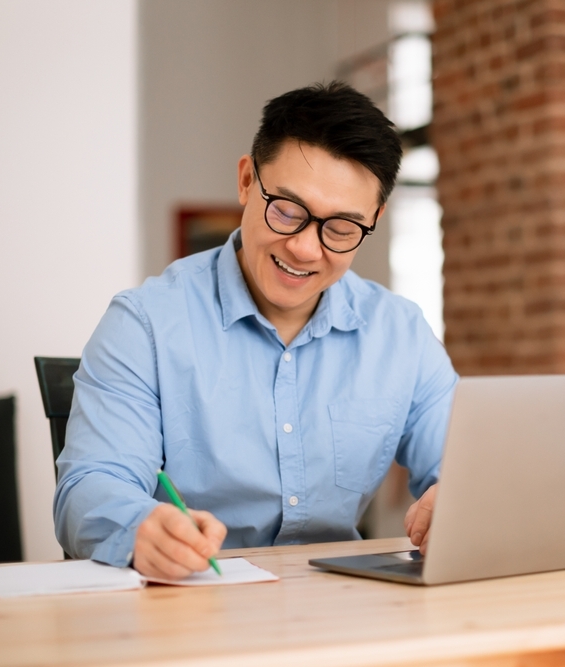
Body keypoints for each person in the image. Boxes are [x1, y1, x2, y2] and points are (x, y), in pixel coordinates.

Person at [53, 82, 457, 579]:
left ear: (374, 219)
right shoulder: (146, 324)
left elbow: (466, 469)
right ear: (247, 181)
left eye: (341, 229)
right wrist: (139, 527)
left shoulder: (401, 334)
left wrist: (464, 501)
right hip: (190, 601)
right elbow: (90, 487)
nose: (307, 250)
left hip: (342, 608)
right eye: (287, 211)